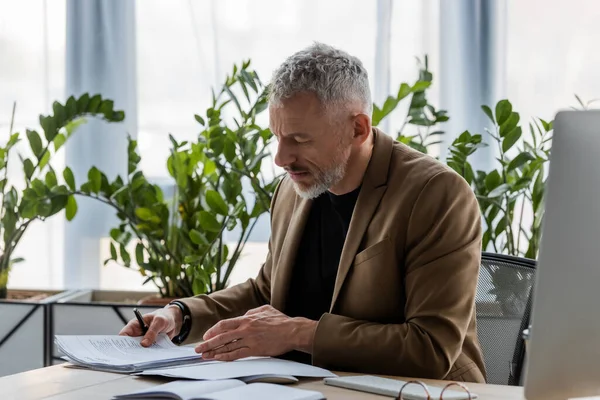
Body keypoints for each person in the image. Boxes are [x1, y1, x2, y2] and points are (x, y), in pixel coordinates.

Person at [120, 42, 486, 383]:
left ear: (358, 128)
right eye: (277, 137)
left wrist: (297, 332)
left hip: (419, 391)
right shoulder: (295, 189)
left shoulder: (436, 194)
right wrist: (181, 315)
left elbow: (431, 348)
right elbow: (267, 292)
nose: (281, 159)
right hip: (311, 386)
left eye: (299, 139)